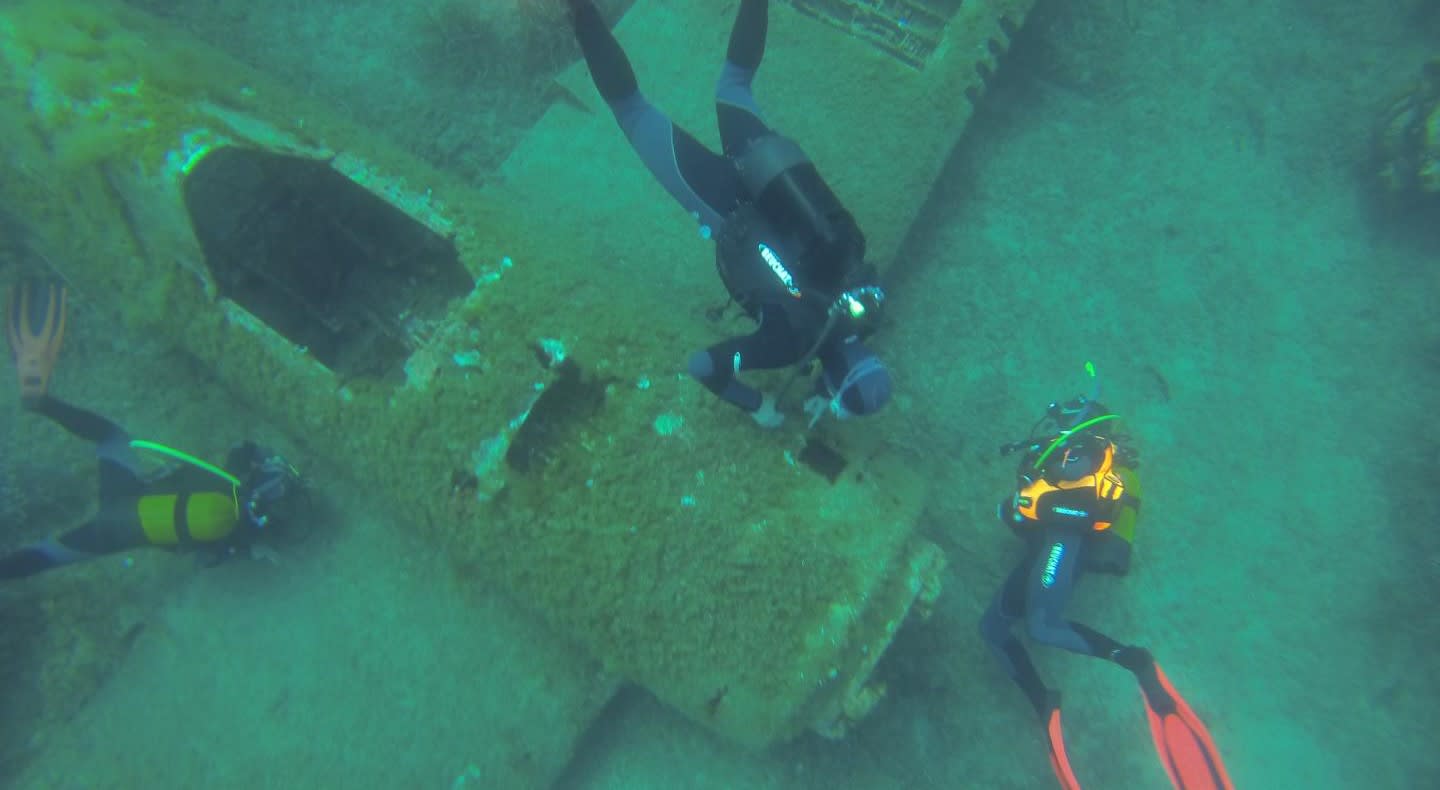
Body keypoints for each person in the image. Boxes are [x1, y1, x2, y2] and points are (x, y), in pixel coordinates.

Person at [565, 0, 892, 428]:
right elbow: (703, 365)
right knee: (632, 110)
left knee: (735, 84)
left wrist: (825, 383)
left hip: (768, 165)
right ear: (833, 377)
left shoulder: (869, 301)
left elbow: (835, 326)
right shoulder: (787, 346)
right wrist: (757, 407)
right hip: (722, 204)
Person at [980, 364, 1233, 790]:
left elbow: (1079, 511)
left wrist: (1026, 508)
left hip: (1066, 543)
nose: (1058, 412)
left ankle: (1132, 660)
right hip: (1056, 545)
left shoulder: (1083, 454)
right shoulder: (1079, 451)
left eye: (1069, 409)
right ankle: (1044, 701)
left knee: (1043, 626)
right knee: (992, 627)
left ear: (1086, 418)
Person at [1, 277, 305, 581]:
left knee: (111, 436)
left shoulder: (232, 485)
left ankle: (43, 404)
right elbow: (206, 559)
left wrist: (257, 455)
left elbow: (243, 448)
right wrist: (253, 551)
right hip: (119, 532)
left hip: (130, 496)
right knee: (52, 555)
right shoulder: (243, 536)